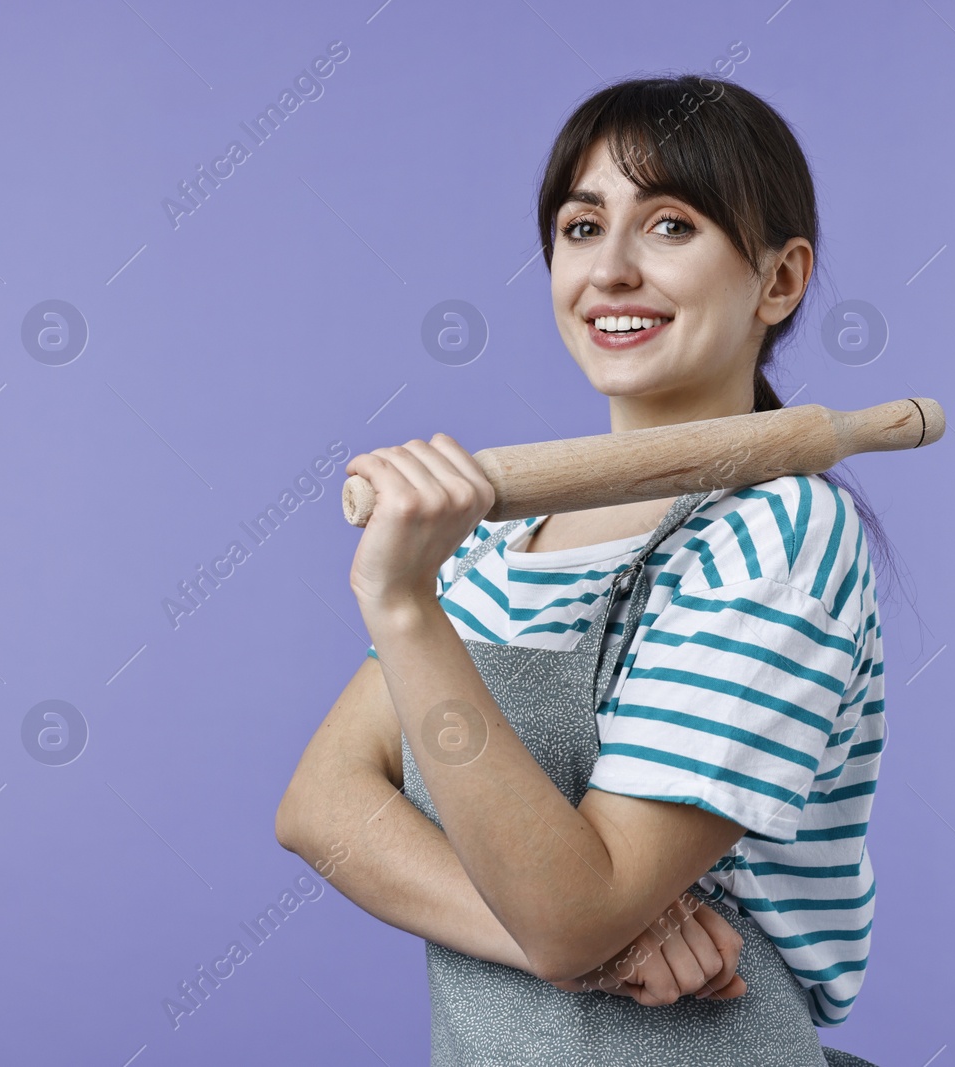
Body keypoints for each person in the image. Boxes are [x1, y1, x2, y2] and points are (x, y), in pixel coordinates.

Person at [276, 73, 889, 1066]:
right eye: (579, 225)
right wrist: (583, 952)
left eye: (671, 225)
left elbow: (573, 908)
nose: (609, 270)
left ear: (777, 281)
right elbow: (322, 805)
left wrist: (400, 603)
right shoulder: (498, 533)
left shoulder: (779, 532)